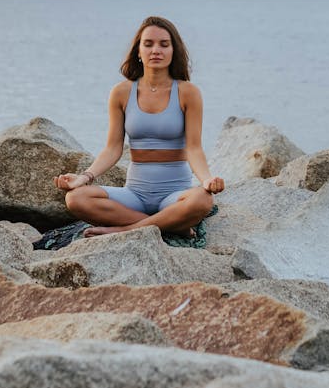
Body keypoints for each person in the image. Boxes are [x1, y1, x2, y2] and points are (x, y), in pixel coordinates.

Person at [54, 15, 224, 238]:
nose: (156, 50)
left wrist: (206, 180)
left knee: (203, 200)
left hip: (174, 196)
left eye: (164, 44)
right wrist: (83, 178)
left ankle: (127, 229)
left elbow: (194, 148)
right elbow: (113, 148)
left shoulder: (188, 92)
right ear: (138, 51)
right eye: (148, 44)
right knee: (75, 198)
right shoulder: (121, 93)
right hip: (134, 196)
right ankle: (172, 225)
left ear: (174, 51)